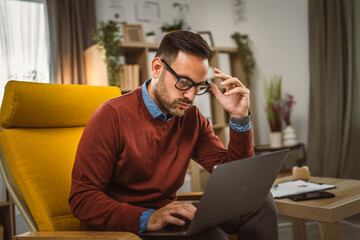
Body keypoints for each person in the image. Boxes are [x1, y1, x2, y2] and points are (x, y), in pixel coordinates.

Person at [69, 30, 278, 239]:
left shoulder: (191, 118)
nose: (190, 96)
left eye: (198, 87)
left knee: (258, 200)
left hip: (170, 219)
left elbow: (237, 179)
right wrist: (149, 218)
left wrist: (239, 117)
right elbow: (82, 198)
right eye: (184, 82)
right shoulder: (110, 116)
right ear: (157, 68)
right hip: (125, 230)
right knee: (211, 236)